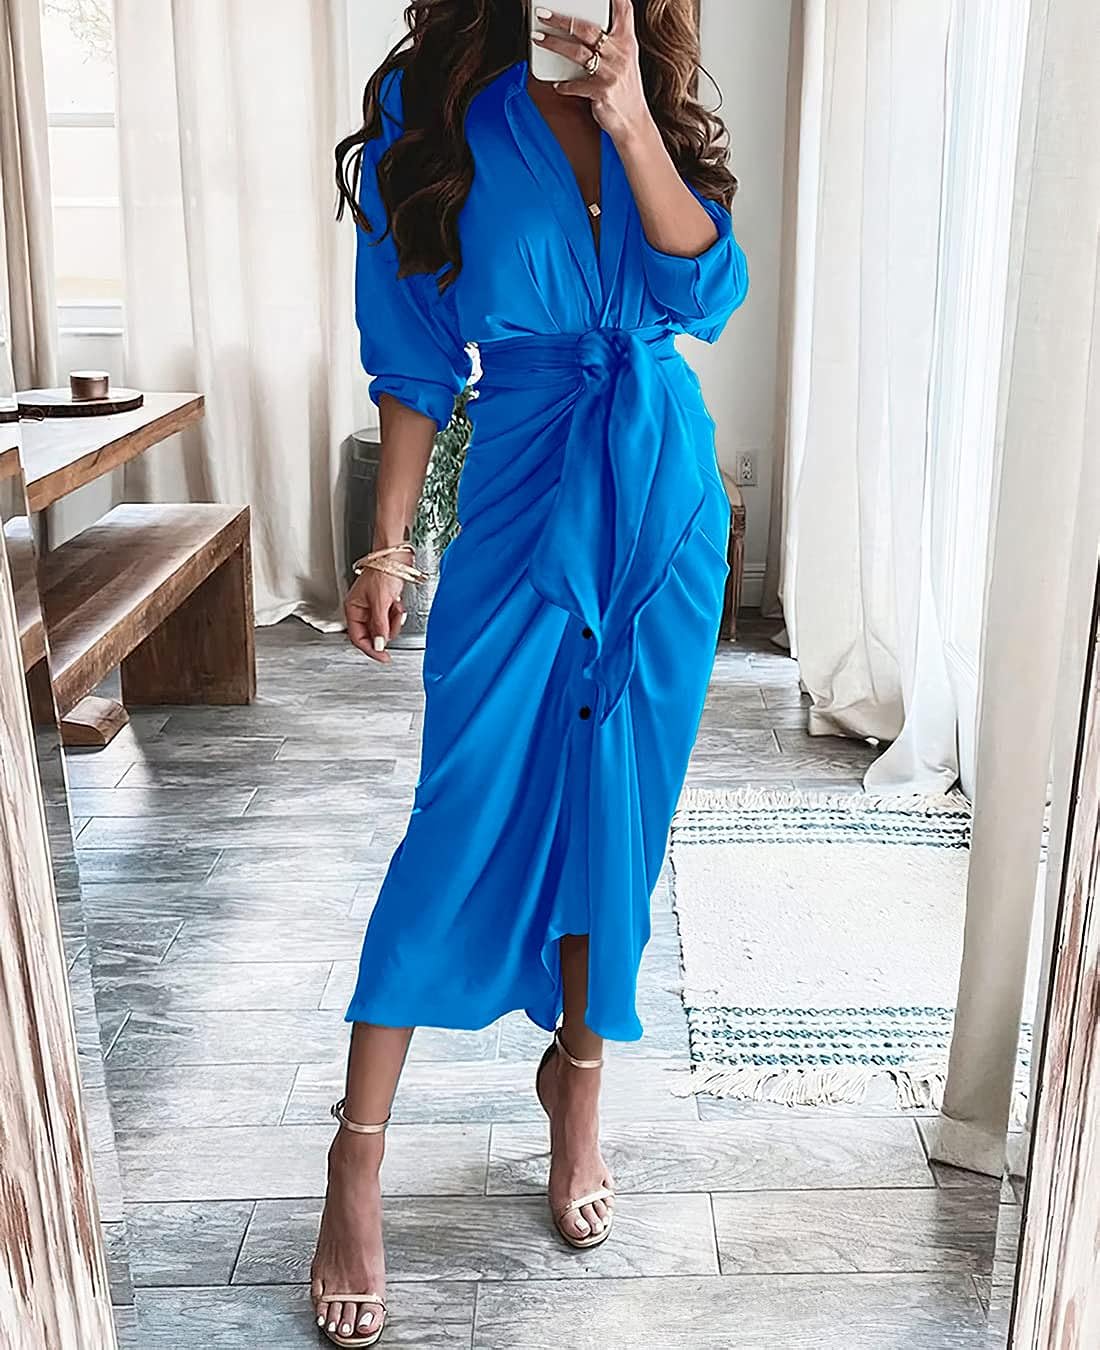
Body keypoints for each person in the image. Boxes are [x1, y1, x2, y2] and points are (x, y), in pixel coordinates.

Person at [311, 1, 747, 1343]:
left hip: (663, 502)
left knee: (620, 818)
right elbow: (413, 359)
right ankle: (356, 1156)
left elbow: (705, 290)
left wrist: (629, 117)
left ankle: (579, 1085)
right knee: (462, 812)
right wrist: (387, 546)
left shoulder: (648, 84)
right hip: (516, 500)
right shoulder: (435, 106)